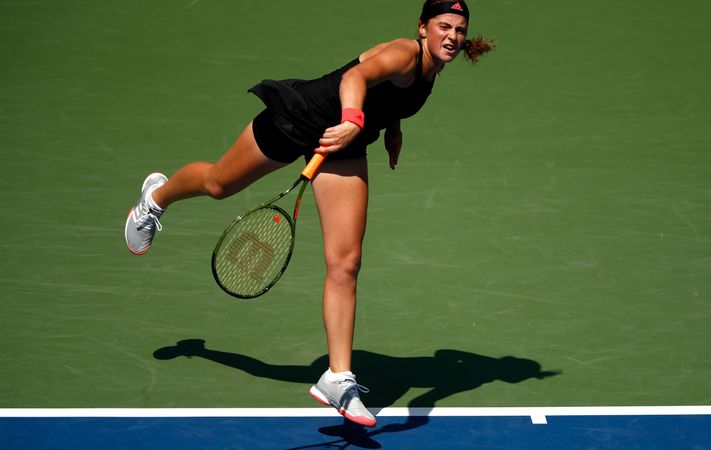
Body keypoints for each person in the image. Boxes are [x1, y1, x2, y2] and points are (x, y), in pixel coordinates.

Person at [124, 0, 494, 427]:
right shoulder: (405, 53)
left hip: (342, 143)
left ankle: (338, 378)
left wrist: (391, 127)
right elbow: (356, 76)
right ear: (422, 28)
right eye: (444, 26)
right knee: (218, 185)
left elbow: (383, 87)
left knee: (346, 262)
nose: (452, 36)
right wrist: (355, 118)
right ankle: (156, 198)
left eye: (459, 29)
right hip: (301, 118)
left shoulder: (431, 68)